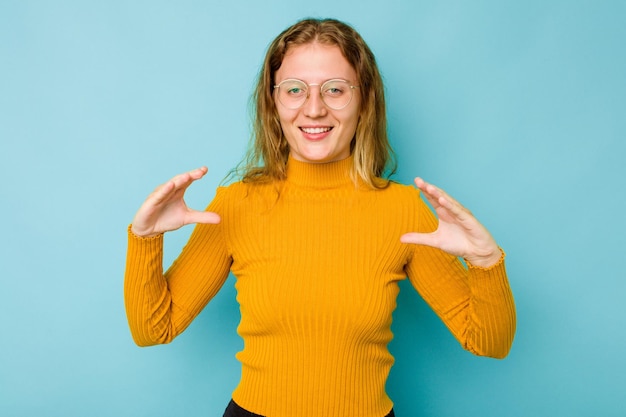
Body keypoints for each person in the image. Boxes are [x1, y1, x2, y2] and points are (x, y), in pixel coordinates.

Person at [124, 17, 516, 417]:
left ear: (365, 103)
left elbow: (489, 342)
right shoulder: (236, 204)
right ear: (273, 104)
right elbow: (154, 328)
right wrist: (145, 238)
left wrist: (486, 262)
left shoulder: (404, 210)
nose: (314, 108)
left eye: (335, 90)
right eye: (294, 90)